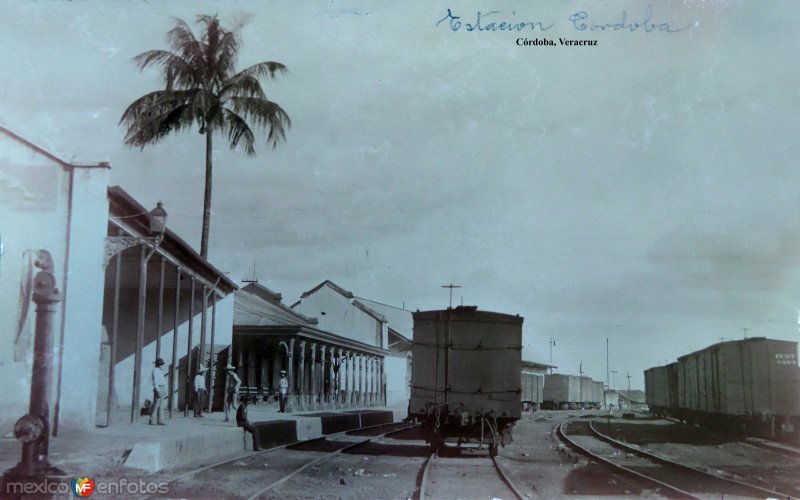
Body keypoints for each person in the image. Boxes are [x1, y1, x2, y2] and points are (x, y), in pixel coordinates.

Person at [149, 358, 167, 425]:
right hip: (158, 387)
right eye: (160, 364)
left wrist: (164, 390)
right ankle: (152, 420)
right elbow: (155, 381)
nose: (161, 365)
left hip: (162, 387)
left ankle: (160, 420)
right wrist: (158, 390)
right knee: (156, 405)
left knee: (161, 406)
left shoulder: (161, 371)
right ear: (158, 364)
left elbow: (163, 381)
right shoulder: (155, 371)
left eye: (162, 364)